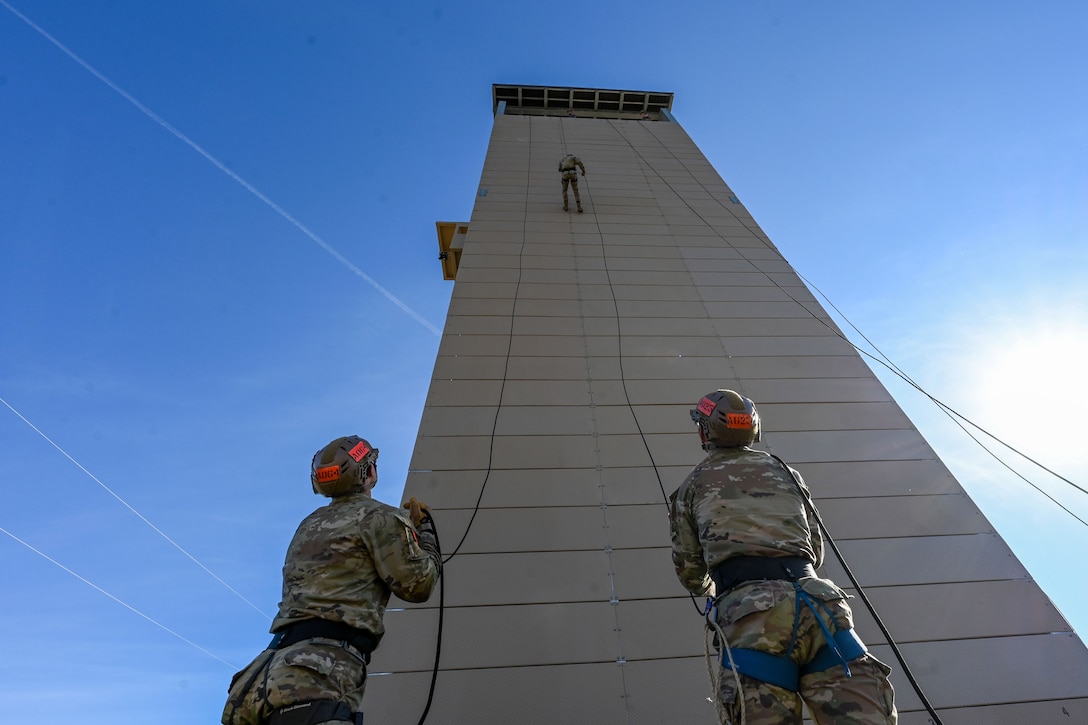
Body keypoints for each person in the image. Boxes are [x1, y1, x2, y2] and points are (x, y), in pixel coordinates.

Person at [669, 390, 897, 725]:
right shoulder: (786, 472)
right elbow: (814, 550)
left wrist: (715, 586)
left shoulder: (692, 486)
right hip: (820, 606)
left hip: (752, 619)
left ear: (705, 431)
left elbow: (690, 573)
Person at [222, 436, 441, 725]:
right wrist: (423, 536)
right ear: (370, 472)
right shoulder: (381, 517)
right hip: (316, 676)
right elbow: (418, 584)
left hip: (261, 680)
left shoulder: (309, 525)